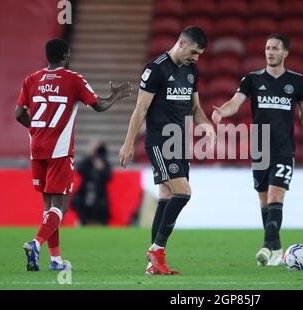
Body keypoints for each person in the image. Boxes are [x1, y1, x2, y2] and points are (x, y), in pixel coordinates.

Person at [15, 38, 132, 271]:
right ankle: (35, 243)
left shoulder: (31, 80)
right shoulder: (73, 79)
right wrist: (116, 96)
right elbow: (98, 105)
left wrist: (37, 130)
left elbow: (19, 114)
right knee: (62, 206)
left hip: (36, 148)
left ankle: (56, 261)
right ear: (66, 56)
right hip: (59, 150)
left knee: (50, 208)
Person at [212, 34, 303, 266]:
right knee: (264, 201)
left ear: (285, 53)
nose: (270, 52)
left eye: (275, 48)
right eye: (267, 48)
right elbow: (236, 101)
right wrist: (223, 111)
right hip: (260, 150)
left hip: (284, 150)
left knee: (275, 197)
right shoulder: (252, 79)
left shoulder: (297, 81)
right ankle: (277, 250)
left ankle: (265, 247)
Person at [119, 26, 215, 275]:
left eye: (200, 54)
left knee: (165, 196)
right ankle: (157, 249)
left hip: (181, 143)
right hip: (161, 142)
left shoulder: (193, 70)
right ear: (182, 43)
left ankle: (154, 264)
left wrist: (207, 126)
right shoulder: (156, 69)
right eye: (194, 52)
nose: (196, 58)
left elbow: (195, 108)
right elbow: (140, 109)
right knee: (183, 192)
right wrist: (129, 143)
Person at [71, 141, 112, 225]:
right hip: (85, 191)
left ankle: (100, 223)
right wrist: (88, 156)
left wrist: (101, 169)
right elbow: (79, 170)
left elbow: (108, 177)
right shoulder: (87, 161)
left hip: (100, 193)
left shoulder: (104, 162)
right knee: (77, 201)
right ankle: (82, 221)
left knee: (102, 206)